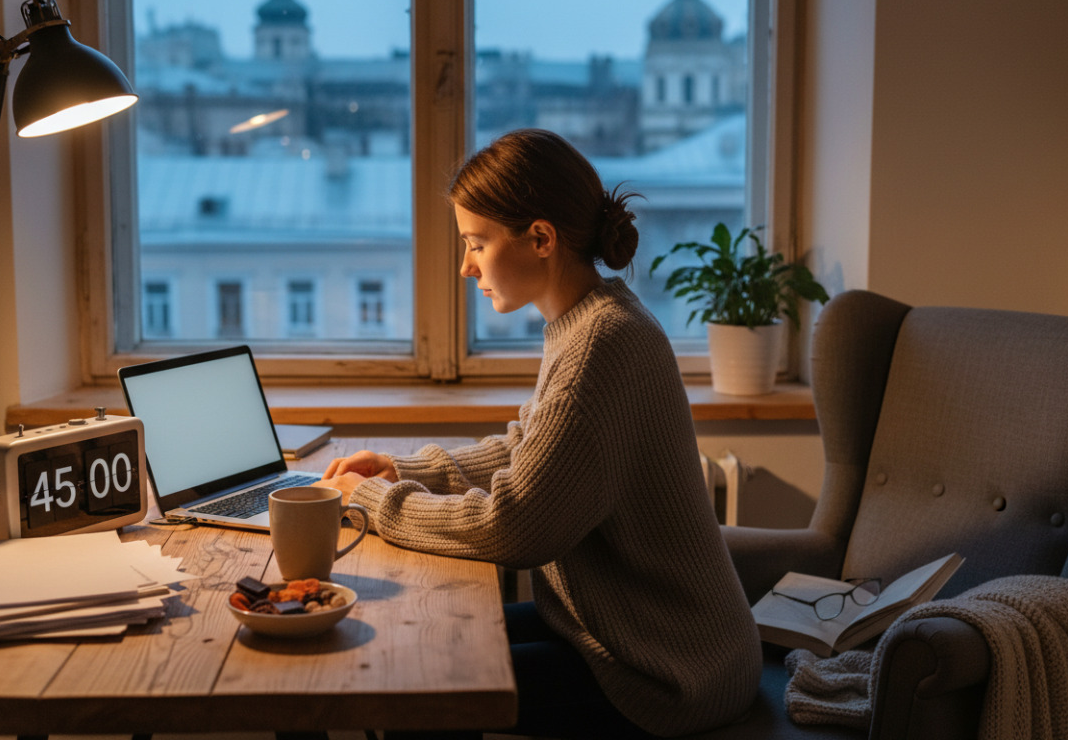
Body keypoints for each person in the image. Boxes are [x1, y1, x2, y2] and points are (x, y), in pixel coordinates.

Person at [321, 128, 761, 738]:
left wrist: (372, 500)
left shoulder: (601, 346)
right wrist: (406, 472)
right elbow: (527, 450)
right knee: (419, 639)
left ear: (541, 238)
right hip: (615, 631)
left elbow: (515, 525)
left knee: (417, 682)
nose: (465, 265)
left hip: (668, 670)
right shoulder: (587, 321)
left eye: (476, 242)